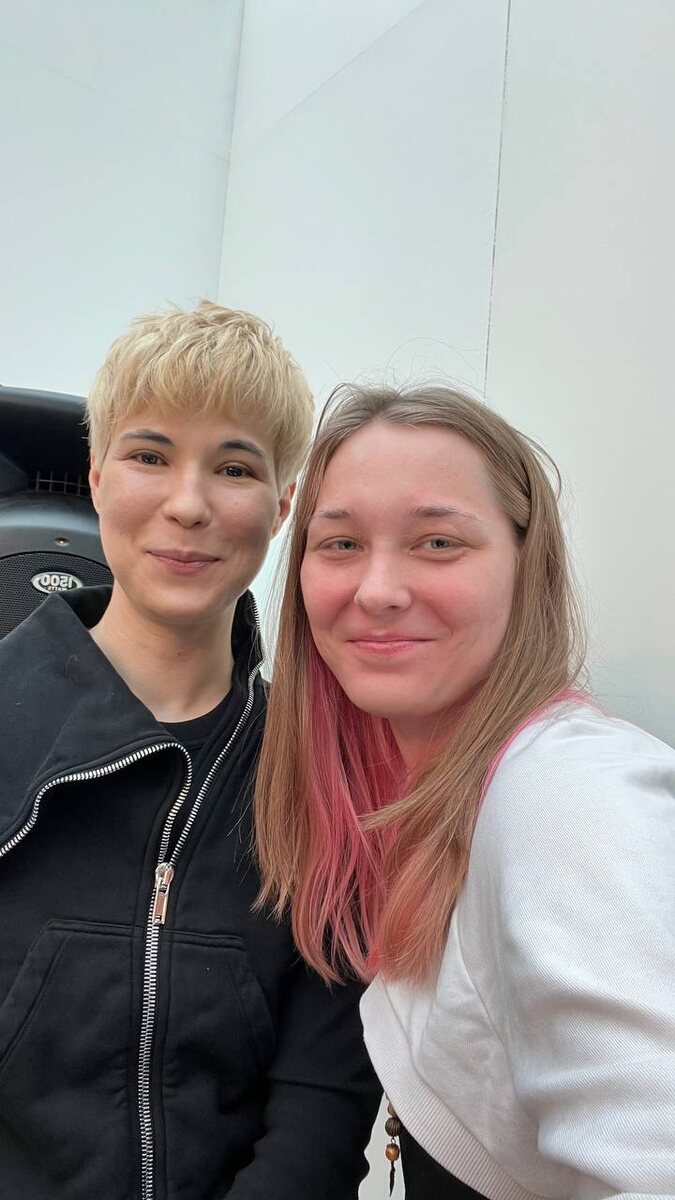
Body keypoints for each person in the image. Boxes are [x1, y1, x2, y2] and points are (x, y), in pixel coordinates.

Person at [254, 383, 675, 1199]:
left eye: (437, 542)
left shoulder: (566, 794)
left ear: (525, 563)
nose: (377, 589)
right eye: (340, 544)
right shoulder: (430, 803)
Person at [0, 304, 380, 1200]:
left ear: (280, 507)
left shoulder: (319, 773)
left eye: (234, 467)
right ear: (96, 478)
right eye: (149, 456)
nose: (188, 504)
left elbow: (323, 1103)